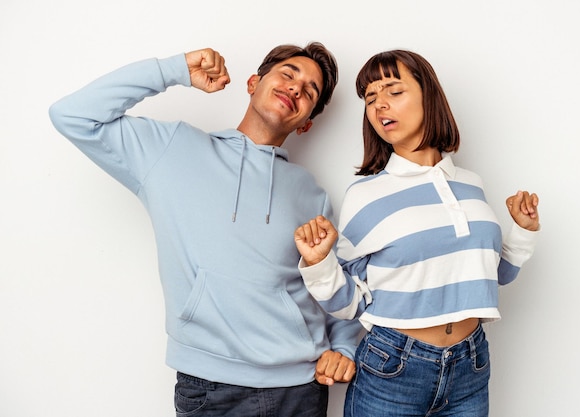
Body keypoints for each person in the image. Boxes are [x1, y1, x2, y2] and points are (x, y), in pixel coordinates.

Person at [49, 42, 362, 417]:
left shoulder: (311, 193)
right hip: (212, 390)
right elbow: (72, 115)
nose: (296, 88)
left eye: (309, 91)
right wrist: (174, 70)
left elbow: (333, 287)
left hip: (301, 388)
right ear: (253, 83)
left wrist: (343, 349)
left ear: (307, 122)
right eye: (288, 74)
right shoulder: (171, 149)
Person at [294, 49, 541, 417]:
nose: (379, 106)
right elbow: (349, 303)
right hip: (393, 366)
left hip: (471, 365)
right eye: (371, 98)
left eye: (394, 91)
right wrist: (317, 264)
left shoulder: (471, 184)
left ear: (429, 95)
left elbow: (493, 277)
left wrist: (522, 231)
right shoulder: (365, 195)